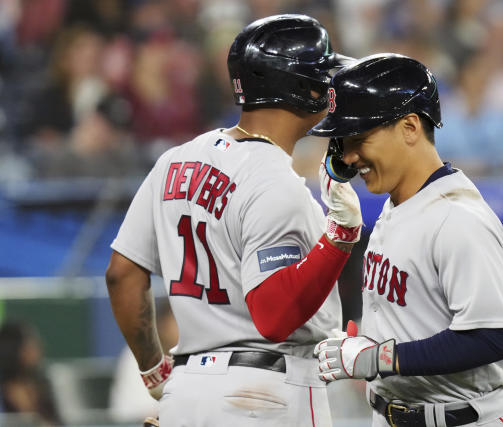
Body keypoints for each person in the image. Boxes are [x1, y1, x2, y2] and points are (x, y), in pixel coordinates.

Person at [104, 14, 360, 427]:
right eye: (320, 75)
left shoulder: (174, 160)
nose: (328, 85)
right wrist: (340, 238)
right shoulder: (276, 181)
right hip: (268, 392)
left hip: (186, 390)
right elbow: (276, 319)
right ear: (296, 86)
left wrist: (154, 369)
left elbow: (121, 274)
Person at [310, 54, 503, 427]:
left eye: (360, 138)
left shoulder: (456, 216)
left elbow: (496, 337)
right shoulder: (400, 204)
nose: (350, 157)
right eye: (343, 143)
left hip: (467, 418)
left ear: (409, 127)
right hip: (398, 413)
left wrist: (377, 358)